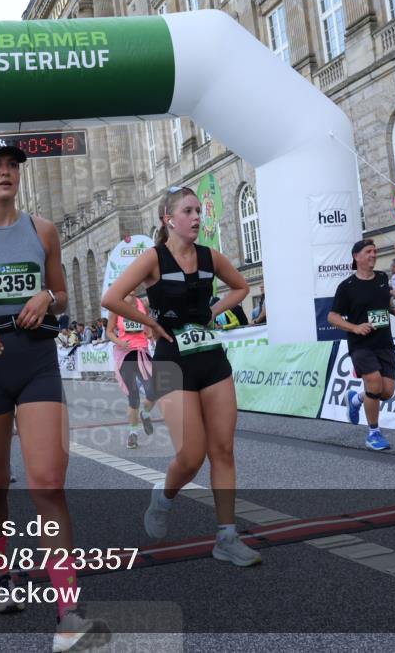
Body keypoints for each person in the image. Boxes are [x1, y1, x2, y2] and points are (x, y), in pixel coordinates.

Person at [0, 138, 107, 650]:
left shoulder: (44, 229)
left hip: (36, 359)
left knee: (49, 482)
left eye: (13, 165)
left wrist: (47, 297)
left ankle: (68, 612)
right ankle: (1, 574)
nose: (6, 173)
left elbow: (61, 296)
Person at [101, 184, 262, 568]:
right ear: (167, 219)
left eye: (197, 211)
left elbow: (241, 287)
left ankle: (226, 536)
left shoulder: (209, 256)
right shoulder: (153, 258)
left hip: (211, 359)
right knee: (190, 456)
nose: (195, 217)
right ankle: (163, 496)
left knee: (223, 449)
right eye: (187, 211)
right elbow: (111, 299)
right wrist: (150, 325)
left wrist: (213, 312)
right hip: (172, 362)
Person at [327, 239, 395, 451]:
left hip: (384, 342)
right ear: (357, 256)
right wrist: (354, 328)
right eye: (368, 251)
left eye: (374, 251)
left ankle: (356, 399)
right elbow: (332, 317)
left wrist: (394, 310)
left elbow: (383, 303)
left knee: (387, 392)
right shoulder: (347, 287)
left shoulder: (381, 278)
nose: (373, 254)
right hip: (360, 344)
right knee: (374, 385)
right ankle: (373, 433)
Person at [105, 292, 156, 449]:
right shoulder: (115, 306)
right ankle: (133, 434)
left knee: (154, 390)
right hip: (126, 354)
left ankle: (145, 414)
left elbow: (147, 325)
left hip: (142, 351)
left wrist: (151, 335)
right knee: (133, 396)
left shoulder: (142, 304)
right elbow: (109, 331)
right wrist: (120, 342)